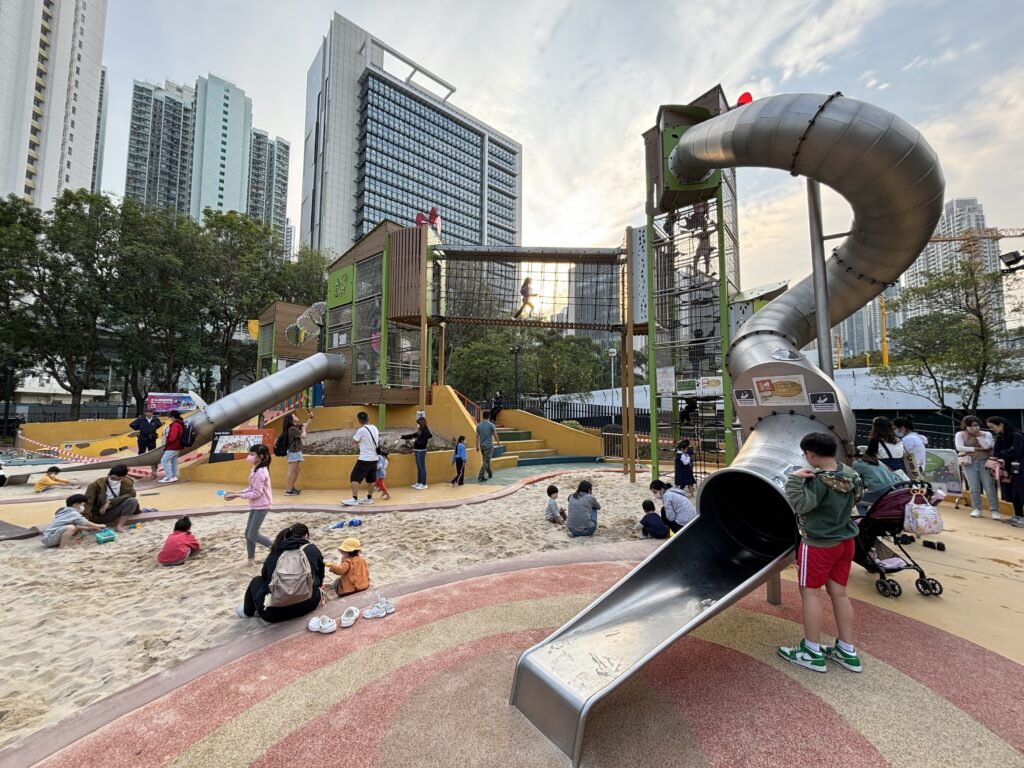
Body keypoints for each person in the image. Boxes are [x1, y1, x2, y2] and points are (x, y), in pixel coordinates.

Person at [778, 432, 864, 674]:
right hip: (846, 541)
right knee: (839, 593)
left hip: (818, 543)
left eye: (806, 454)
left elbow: (802, 505)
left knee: (810, 594)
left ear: (811, 454)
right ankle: (847, 650)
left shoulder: (818, 480)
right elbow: (858, 496)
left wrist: (794, 480)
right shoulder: (850, 473)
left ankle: (811, 651)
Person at [237, 523, 325, 623]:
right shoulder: (312, 549)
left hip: (274, 614)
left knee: (256, 581)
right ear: (306, 536)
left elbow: (265, 577)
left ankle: (247, 612)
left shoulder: (275, 553)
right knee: (314, 576)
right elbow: (321, 573)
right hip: (310, 603)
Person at [224, 444, 274, 566]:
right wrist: (238, 493)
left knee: (252, 534)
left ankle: (276, 548)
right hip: (255, 505)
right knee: (248, 534)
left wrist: (238, 496)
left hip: (262, 505)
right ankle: (251, 560)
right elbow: (251, 488)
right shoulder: (255, 468)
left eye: (252, 454)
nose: (249, 457)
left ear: (261, 456)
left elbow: (257, 493)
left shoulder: (261, 472)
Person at [956, 415, 1000, 520]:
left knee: (989, 487)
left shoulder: (986, 434)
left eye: (975, 425)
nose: (973, 428)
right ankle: (977, 508)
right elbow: (959, 447)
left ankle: (994, 510)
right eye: (970, 425)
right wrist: (976, 448)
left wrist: (978, 435)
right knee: (973, 487)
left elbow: (986, 446)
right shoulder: (960, 434)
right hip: (969, 463)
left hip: (985, 462)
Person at [987, 416, 1024, 527]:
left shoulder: (1017, 436)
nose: (991, 429)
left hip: (1020, 467)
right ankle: (1018, 516)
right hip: (1007, 468)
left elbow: (1015, 452)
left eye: (992, 426)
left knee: (1019, 491)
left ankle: (1021, 518)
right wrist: (1006, 452)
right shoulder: (1000, 437)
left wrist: (1004, 453)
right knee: (1012, 492)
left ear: (1001, 425)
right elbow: (996, 453)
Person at [84, 465, 139, 532]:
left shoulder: (127, 482)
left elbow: (132, 494)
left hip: (115, 508)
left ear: (123, 477)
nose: (115, 481)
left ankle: (119, 526)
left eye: (119, 479)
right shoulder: (95, 485)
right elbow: (88, 503)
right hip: (99, 514)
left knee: (132, 501)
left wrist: (110, 502)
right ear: (108, 475)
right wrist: (86, 520)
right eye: (113, 478)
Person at [343, 411, 379, 506]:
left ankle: (354, 499)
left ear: (359, 420)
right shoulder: (375, 428)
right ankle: (369, 498)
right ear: (368, 418)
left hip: (364, 458)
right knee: (371, 479)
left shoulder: (361, 430)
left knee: (354, 477)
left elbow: (354, 441)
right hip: (374, 458)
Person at [282, 410, 313, 497]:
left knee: (296, 470)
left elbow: (305, 425)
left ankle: (291, 488)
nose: (295, 416)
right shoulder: (292, 428)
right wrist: (303, 430)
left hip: (296, 451)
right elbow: (303, 436)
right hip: (293, 451)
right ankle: (288, 490)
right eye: (293, 416)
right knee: (291, 470)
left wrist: (310, 417)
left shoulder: (295, 427)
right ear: (291, 420)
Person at [130, 408, 163, 478]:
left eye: (152, 412)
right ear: (146, 413)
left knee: (153, 452)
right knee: (142, 451)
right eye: (149, 412)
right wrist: (138, 430)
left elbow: (159, 425)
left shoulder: (155, 419)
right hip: (142, 437)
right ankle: (140, 465)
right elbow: (132, 425)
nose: (151, 413)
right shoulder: (140, 419)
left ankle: (153, 466)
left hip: (151, 438)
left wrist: (152, 429)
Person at [893, 416, 928, 481]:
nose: (894, 431)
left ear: (902, 428)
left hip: (911, 470)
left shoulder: (909, 439)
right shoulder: (915, 437)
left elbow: (899, 454)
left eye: (895, 428)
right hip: (917, 469)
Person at [402, 416, 432, 490]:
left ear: (421, 423)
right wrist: (402, 436)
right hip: (417, 450)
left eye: (418, 424)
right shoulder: (420, 431)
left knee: (422, 468)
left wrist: (414, 441)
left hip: (421, 451)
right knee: (419, 468)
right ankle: (419, 482)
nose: (417, 425)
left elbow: (423, 443)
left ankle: (424, 484)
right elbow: (412, 435)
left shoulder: (425, 431)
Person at [159, 411, 185, 483]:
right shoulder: (180, 423)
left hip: (173, 446)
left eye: (170, 417)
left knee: (164, 460)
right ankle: (173, 476)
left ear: (173, 417)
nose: (169, 418)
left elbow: (173, 437)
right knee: (174, 461)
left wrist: (168, 441)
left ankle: (169, 476)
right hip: (178, 445)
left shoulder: (175, 425)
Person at [475, 410, 500, 482]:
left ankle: (489, 473)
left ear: (483, 416)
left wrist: (476, 446)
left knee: (486, 460)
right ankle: (481, 475)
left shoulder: (478, 425)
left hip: (482, 445)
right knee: (486, 460)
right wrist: (498, 443)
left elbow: (476, 436)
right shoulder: (491, 425)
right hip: (488, 445)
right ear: (489, 416)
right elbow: (495, 434)